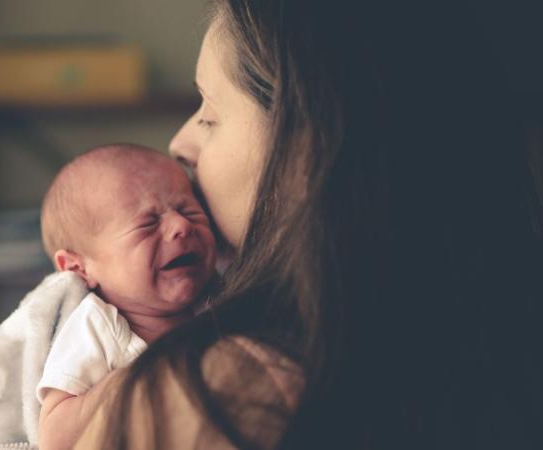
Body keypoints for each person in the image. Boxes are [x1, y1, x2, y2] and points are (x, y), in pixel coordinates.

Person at [66, 1, 543, 449]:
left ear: (307, 151)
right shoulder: (502, 341)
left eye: (210, 115)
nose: (178, 144)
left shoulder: (209, 398)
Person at [37, 144, 217, 450]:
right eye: (148, 224)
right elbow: (55, 438)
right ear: (79, 268)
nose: (181, 226)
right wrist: (135, 377)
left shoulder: (221, 299)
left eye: (189, 210)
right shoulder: (97, 327)